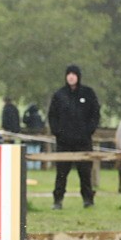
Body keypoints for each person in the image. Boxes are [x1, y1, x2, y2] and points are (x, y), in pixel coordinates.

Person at [46, 64, 100, 209]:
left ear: (78, 76)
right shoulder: (59, 95)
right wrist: (58, 132)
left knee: (85, 173)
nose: (71, 77)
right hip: (64, 143)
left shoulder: (88, 93)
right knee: (61, 173)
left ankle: (88, 199)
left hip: (83, 142)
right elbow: (52, 116)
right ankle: (58, 200)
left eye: (73, 74)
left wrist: (88, 131)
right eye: (68, 74)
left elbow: (95, 114)